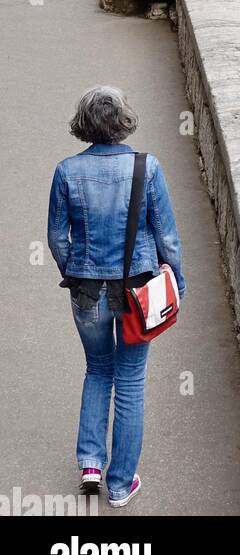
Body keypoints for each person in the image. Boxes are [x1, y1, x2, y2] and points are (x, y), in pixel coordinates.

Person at [47, 86, 185, 508]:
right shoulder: (148, 167)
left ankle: (90, 462)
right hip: (137, 292)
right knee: (129, 382)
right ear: (123, 120)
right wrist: (177, 282)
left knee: (97, 370)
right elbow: (166, 236)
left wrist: (75, 272)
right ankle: (121, 483)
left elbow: (57, 237)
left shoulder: (66, 171)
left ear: (84, 123)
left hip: (87, 293)